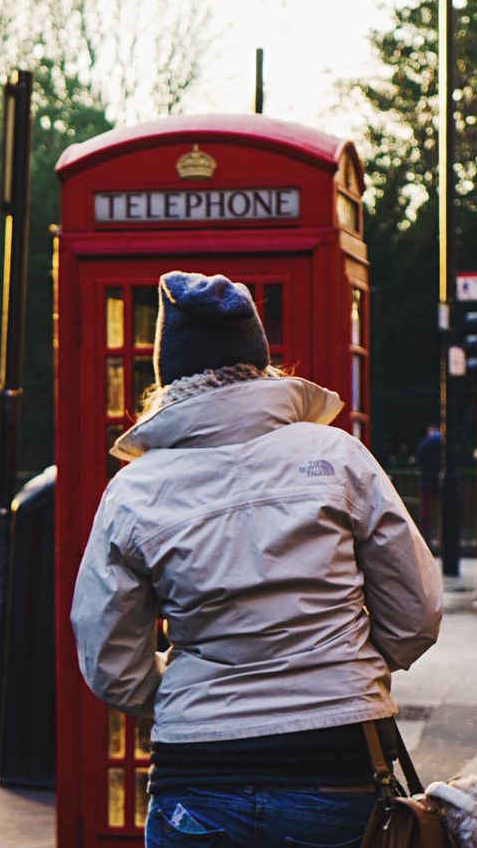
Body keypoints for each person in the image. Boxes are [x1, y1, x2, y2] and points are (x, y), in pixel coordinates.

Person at [71, 271, 443, 847]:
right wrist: (342, 669)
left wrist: (177, 693)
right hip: (337, 761)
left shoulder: (133, 490)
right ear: (260, 358)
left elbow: (109, 661)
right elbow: (416, 612)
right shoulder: (338, 457)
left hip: (198, 771)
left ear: (167, 374)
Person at [414, 424, 443, 535]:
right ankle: (442, 533)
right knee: (442, 508)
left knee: (425, 511)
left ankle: (426, 535)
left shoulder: (424, 443)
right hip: (439, 479)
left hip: (426, 478)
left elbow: (418, 458)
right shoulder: (441, 442)